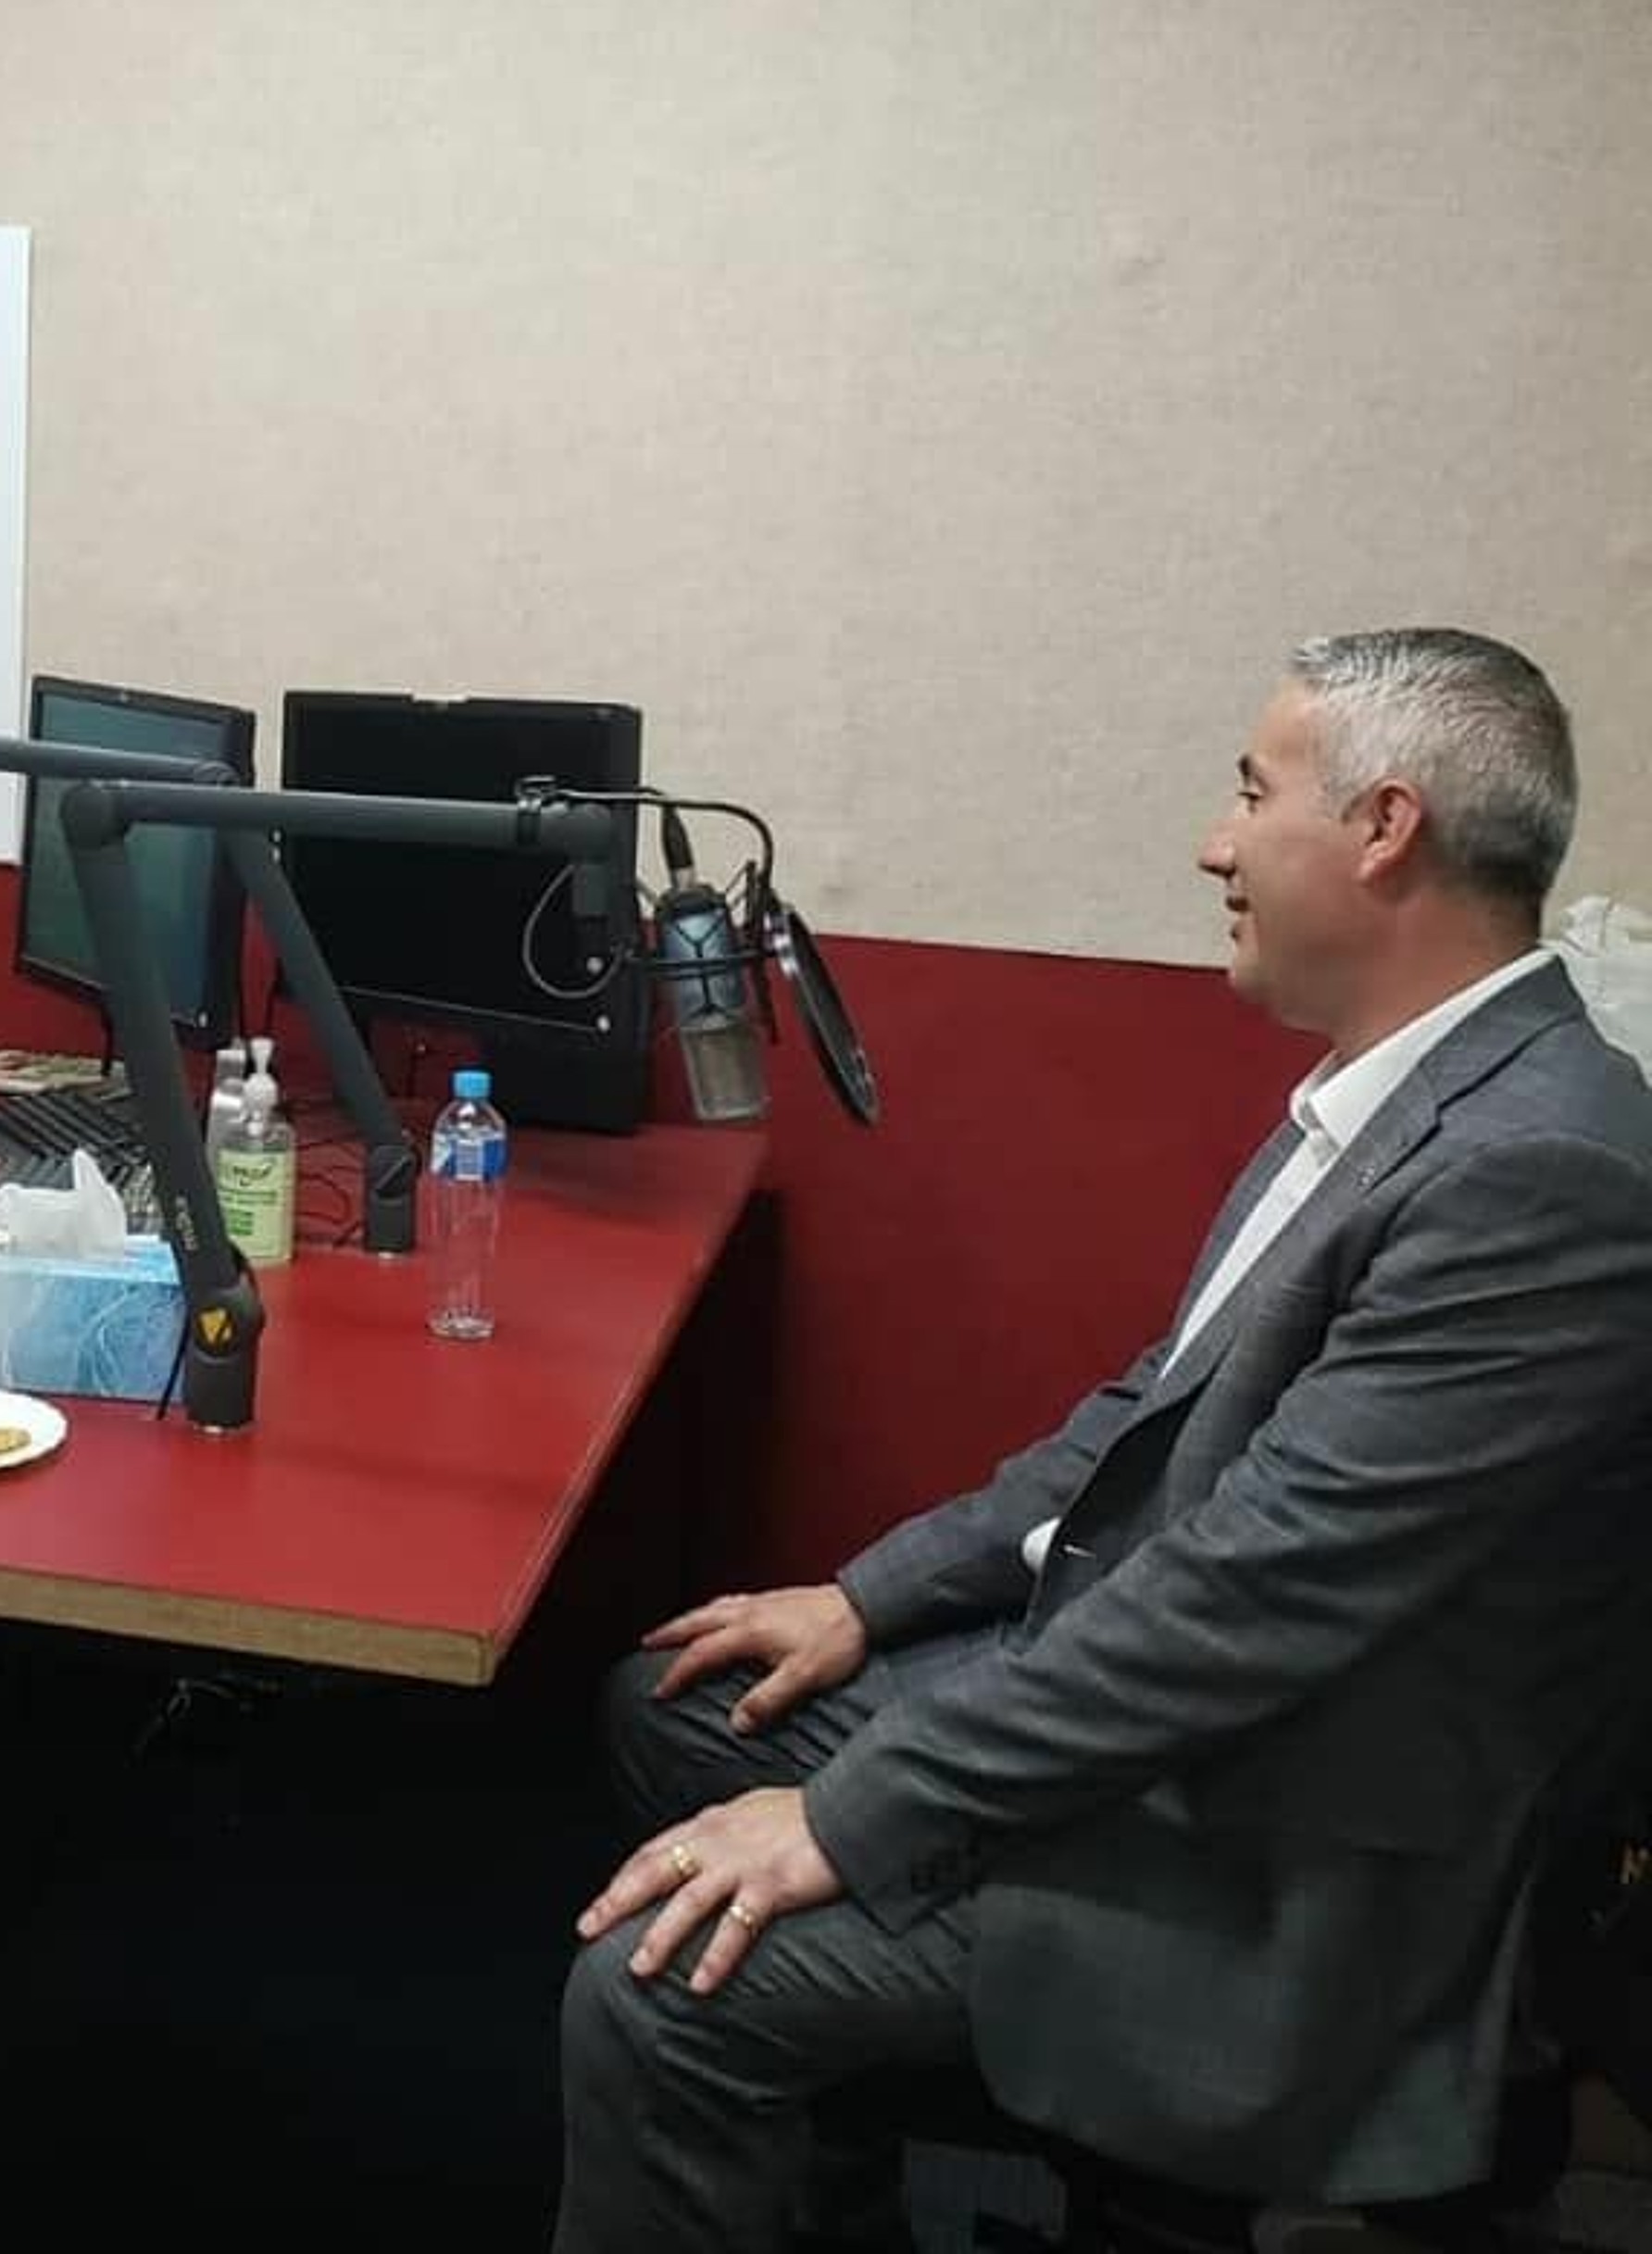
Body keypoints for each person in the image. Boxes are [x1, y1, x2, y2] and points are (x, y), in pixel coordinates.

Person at [555, 628, 1652, 2254]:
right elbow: (1156, 1410)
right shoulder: (1411, 1090)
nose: (1217, 843)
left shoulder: (1539, 1174)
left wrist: (851, 1822)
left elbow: (1248, 1603)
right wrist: (866, 1597)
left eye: (1252, 793)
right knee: (680, 1704)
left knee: (657, 1997)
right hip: (1196, 1729)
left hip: (1284, 1872)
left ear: (1384, 828)